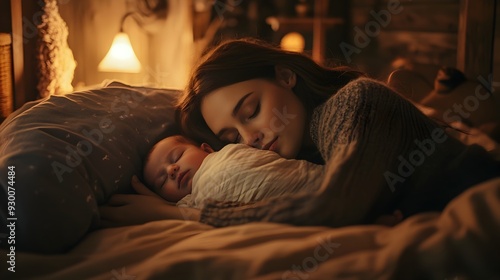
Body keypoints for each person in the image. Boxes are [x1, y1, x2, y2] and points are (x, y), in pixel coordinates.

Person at [100, 38, 499, 229]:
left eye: (251, 111)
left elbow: (333, 206)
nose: (251, 136)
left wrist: (177, 213)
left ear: (286, 76)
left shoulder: (355, 101)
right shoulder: (296, 159)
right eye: (233, 136)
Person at [143, 135, 324, 208]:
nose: (171, 170)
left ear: (207, 149)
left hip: (315, 182)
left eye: (176, 156)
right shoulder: (188, 204)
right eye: (162, 181)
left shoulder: (232, 151)